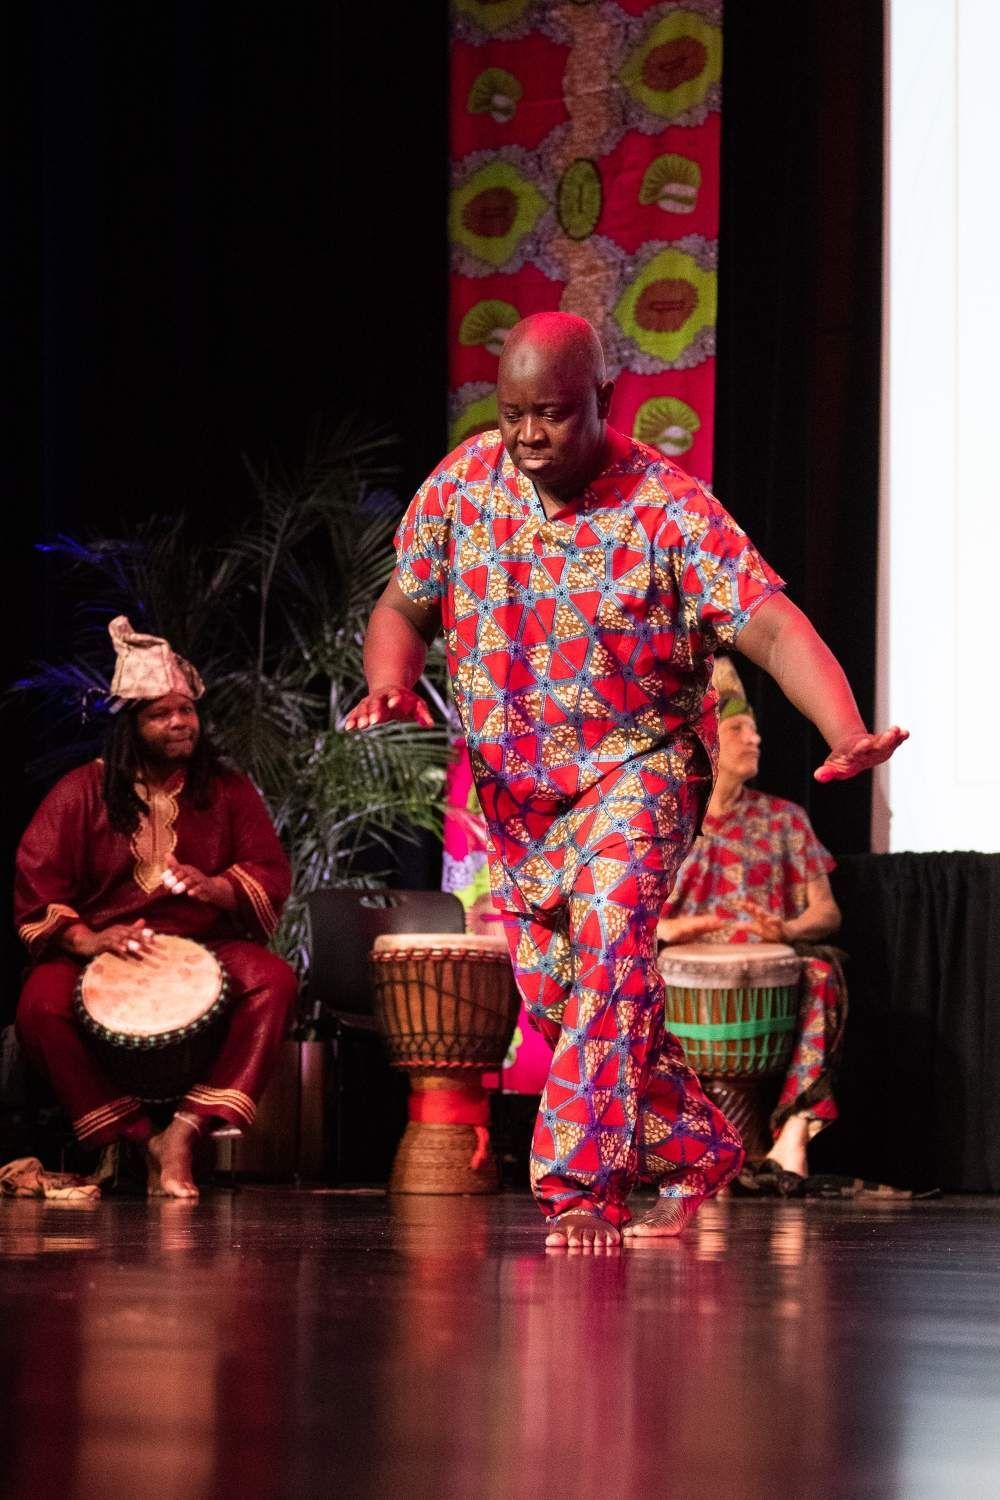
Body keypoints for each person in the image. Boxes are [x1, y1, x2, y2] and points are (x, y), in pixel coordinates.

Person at [345, 311, 905, 1250]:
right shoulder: (462, 486)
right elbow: (404, 604)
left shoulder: (671, 510)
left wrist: (844, 730)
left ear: (607, 399)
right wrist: (390, 681)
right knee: (570, 998)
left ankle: (577, 1192)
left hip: (636, 775)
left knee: (608, 966)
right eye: (513, 413)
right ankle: (694, 1147)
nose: (528, 436)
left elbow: (769, 626)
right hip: (517, 807)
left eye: (554, 415)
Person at [14, 617, 297, 1199]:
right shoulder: (79, 793)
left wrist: (217, 887)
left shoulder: (228, 790)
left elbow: (269, 871)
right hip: (101, 949)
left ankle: (186, 1132)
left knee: (273, 979)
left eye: (186, 710)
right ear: (130, 727)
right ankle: (140, 1137)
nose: (178, 722)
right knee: (39, 1004)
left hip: (205, 947)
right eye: (160, 714)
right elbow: (37, 890)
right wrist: (90, 940)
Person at [658, 656, 846, 1185]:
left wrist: (785, 931)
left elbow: (827, 912)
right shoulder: (668, 818)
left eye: (756, 731)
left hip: (771, 965)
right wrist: (670, 931)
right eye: (740, 729)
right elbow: (623, 909)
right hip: (679, 969)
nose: (755, 740)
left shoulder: (785, 819)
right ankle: (666, 1137)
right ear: (710, 741)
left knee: (824, 974)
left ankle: (794, 1131)